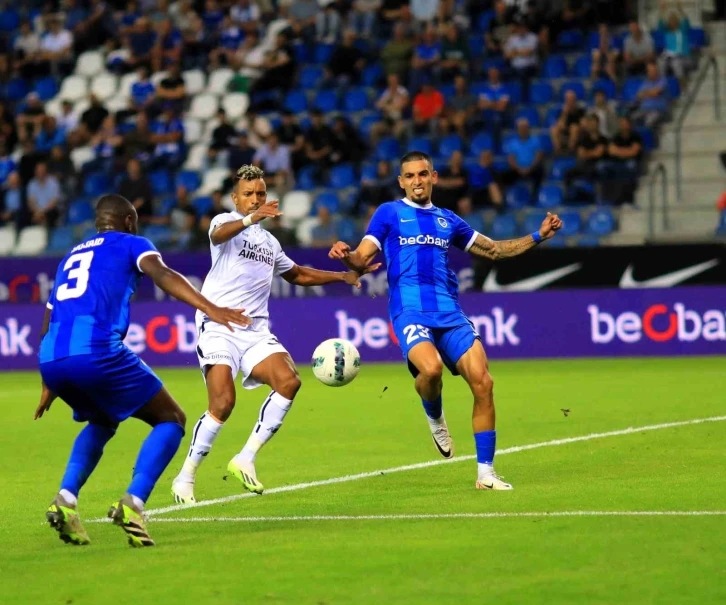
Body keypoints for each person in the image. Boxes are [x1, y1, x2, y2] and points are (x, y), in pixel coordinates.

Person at [329, 151, 562, 490]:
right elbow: (361, 257)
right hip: (409, 309)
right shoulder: (389, 213)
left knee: (483, 383)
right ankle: (435, 415)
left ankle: (485, 474)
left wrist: (537, 236)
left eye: (423, 174)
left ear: (434, 177)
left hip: (450, 312)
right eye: (409, 176)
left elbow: (494, 250)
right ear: (401, 181)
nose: (417, 181)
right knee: (432, 369)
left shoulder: (448, 220)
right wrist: (345, 255)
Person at [35, 194, 251, 547]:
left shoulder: (70, 256)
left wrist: (49, 380)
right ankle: (133, 503)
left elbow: (48, 317)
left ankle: (66, 499)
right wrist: (210, 308)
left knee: (103, 420)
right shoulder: (133, 243)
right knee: (171, 418)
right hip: (96, 350)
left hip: (53, 356)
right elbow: (161, 273)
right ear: (129, 221)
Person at [170, 165, 378, 504]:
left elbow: (296, 274)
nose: (256, 199)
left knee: (289, 380)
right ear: (235, 198)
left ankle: (246, 458)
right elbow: (218, 236)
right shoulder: (223, 223)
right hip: (219, 327)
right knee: (222, 403)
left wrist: (343, 277)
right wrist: (252, 218)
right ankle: (186, 476)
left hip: (254, 331)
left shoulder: (269, 242)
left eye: (261, 194)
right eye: (249, 194)